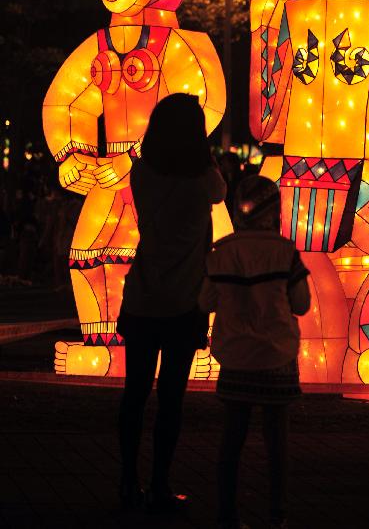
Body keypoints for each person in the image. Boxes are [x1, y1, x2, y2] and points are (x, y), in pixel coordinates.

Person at [117, 93, 226, 512]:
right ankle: (160, 483)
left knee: (135, 394)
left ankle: (128, 480)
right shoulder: (204, 182)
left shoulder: (141, 175)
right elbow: (220, 191)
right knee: (171, 397)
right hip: (185, 302)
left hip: (143, 297)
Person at [199, 175, 310, 529]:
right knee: (277, 440)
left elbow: (204, 301)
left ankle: (227, 513)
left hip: (235, 355)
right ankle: (277, 514)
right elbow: (302, 304)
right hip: (277, 355)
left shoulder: (222, 252)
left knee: (232, 438)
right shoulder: (285, 251)